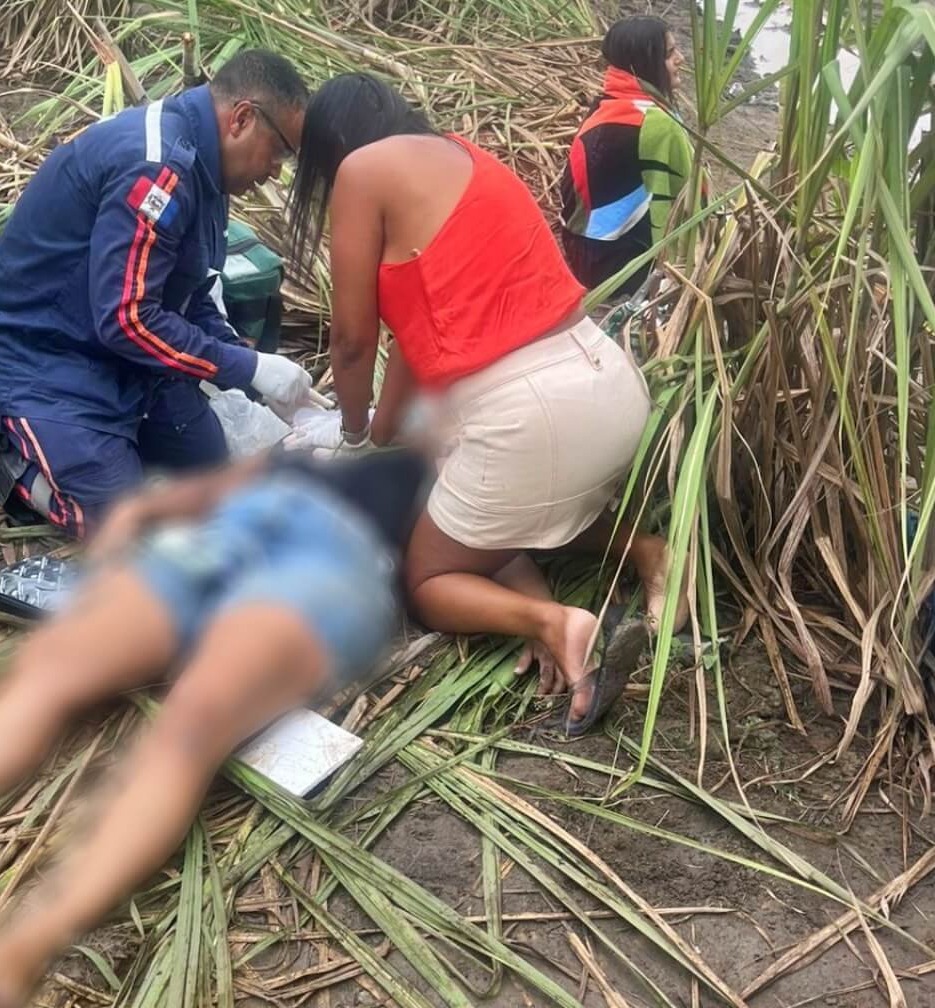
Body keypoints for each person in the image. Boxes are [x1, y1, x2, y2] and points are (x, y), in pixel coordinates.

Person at [0, 447, 431, 1008]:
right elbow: (213, 485)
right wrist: (140, 512)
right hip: (247, 522)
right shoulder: (313, 460)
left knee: (188, 726)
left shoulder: (431, 482)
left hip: (337, 559)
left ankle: (22, 944)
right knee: (59, 672)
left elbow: (452, 567)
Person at [287, 74, 685, 736]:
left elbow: (354, 343)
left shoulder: (362, 171)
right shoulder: (466, 161)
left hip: (531, 416)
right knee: (503, 512)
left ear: (334, 144)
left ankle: (553, 622)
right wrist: (383, 433)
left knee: (429, 578)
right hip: (610, 384)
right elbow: (412, 341)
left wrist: (351, 434)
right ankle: (645, 550)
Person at [0, 50, 315, 537]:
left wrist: (247, 366)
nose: (275, 172)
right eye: (281, 151)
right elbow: (128, 318)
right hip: (41, 355)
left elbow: (191, 292)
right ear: (242, 118)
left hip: (119, 355)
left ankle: (105, 442)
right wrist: (248, 367)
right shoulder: (158, 169)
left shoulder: (208, 174)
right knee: (123, 523)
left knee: (209, 468)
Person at [558, 16, 693, 296]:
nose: (680, 58)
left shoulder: (610, 103)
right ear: (645, 63)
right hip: (618, 267)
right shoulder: (656, 122)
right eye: (669, 53)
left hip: (582, 250)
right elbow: (688, 195)